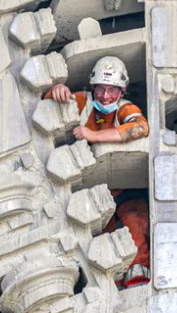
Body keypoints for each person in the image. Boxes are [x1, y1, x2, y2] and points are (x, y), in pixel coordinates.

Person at [47, 56, 150, 288]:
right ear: (93, 86)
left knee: (136, 224)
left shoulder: (126, 109)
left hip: (125, 190)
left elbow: (140, 127)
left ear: (122, 91)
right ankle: (113, 284)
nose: (105, 96)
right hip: (91, 193)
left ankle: (138, 277)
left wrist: (94, 136)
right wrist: (57, 91)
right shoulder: (83, 101)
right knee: (103, 237)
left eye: (112, 90)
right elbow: (51, 103)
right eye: (101, 89)